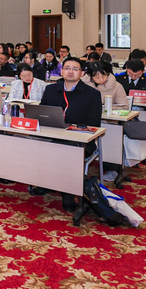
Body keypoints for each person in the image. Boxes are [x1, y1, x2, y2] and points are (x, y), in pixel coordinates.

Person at [39, 56, 102, 211]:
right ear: (61, 71)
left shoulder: (92, 94)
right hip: (53, 134)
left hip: (79, 139)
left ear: (82, 73)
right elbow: (41, 113)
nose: (70, 72)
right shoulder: (51, 89)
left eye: (75, 69)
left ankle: (68, 192)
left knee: (66, 150)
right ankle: (43, 182)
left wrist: (71, 128)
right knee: (33, 144)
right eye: (67, 68)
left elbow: (94, 124)